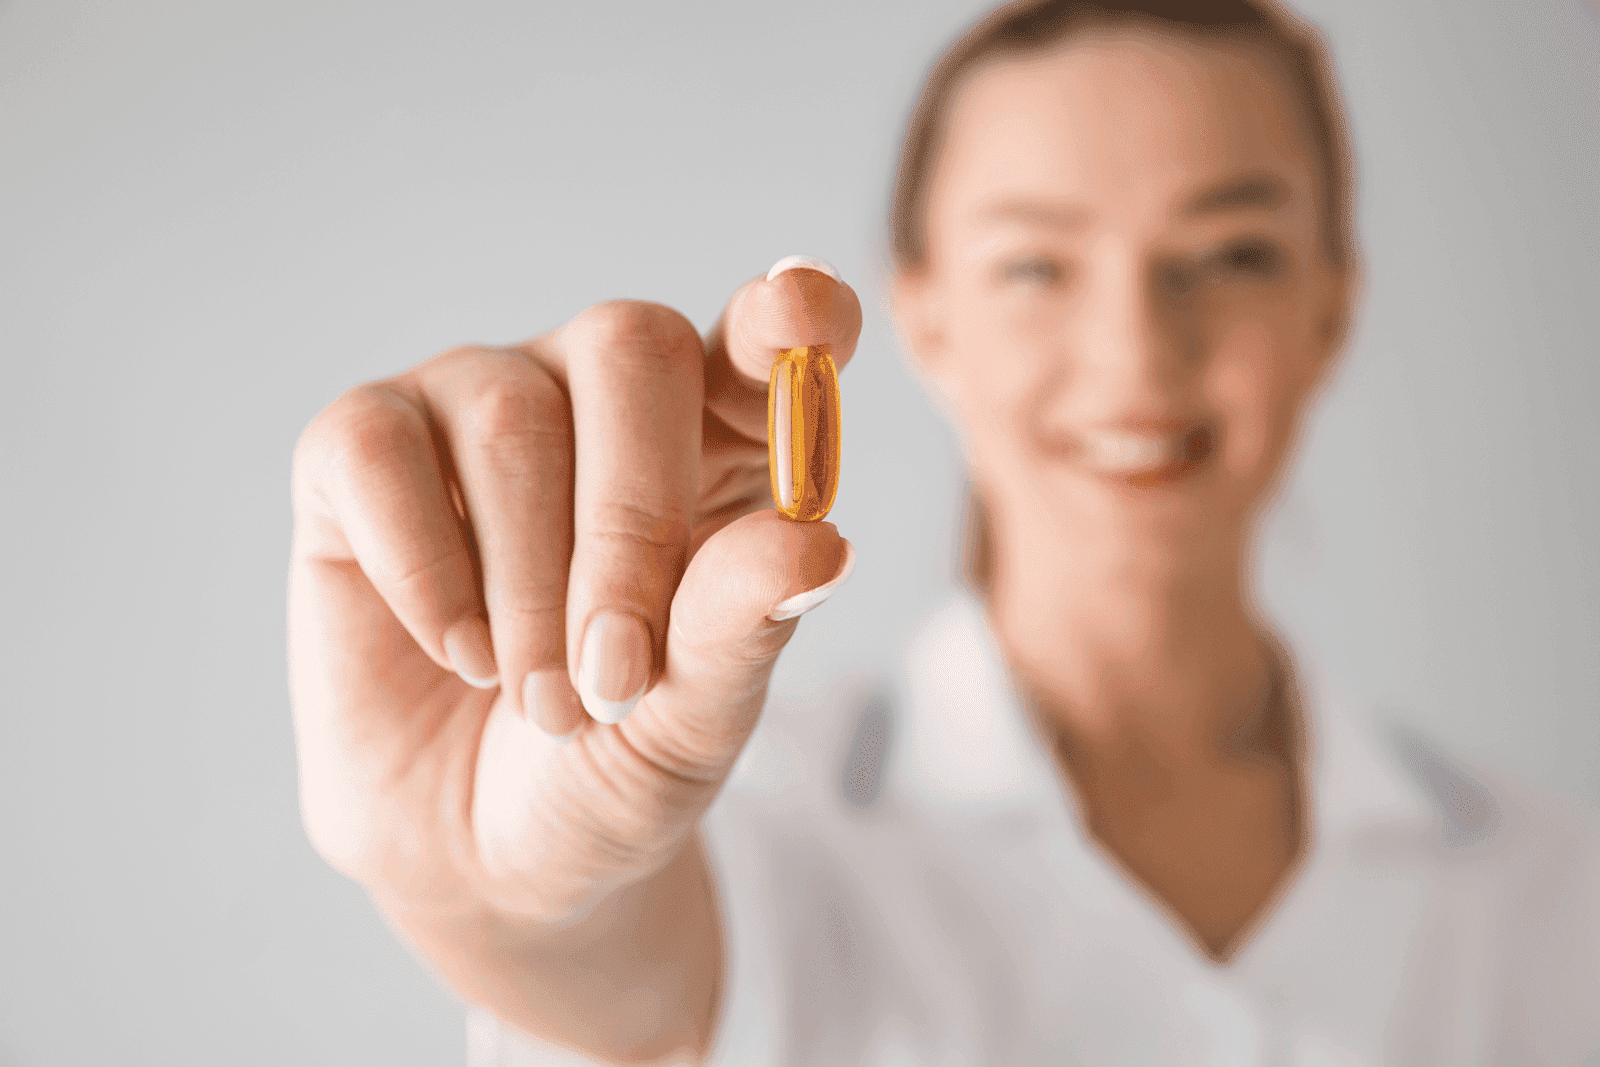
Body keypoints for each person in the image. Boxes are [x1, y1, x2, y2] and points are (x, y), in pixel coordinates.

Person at [286, 0, 1600, 1063]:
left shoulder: (1557, 893)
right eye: (1036, 264)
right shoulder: (763, 815)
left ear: (1330, 305)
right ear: (923, 320)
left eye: (1234, 253)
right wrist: (483, 901)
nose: (1138, 352)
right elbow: (616, 967)